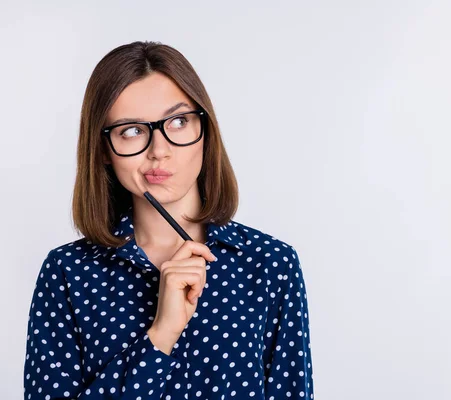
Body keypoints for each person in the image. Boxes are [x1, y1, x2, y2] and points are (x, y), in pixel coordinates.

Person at [23, 41, 314, 400]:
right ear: (102, 149)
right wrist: (160, 334)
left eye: (177, 122)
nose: (159, 150)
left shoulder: (270, 264)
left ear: (206, 131)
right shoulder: (68, 273)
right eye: (131, 130)